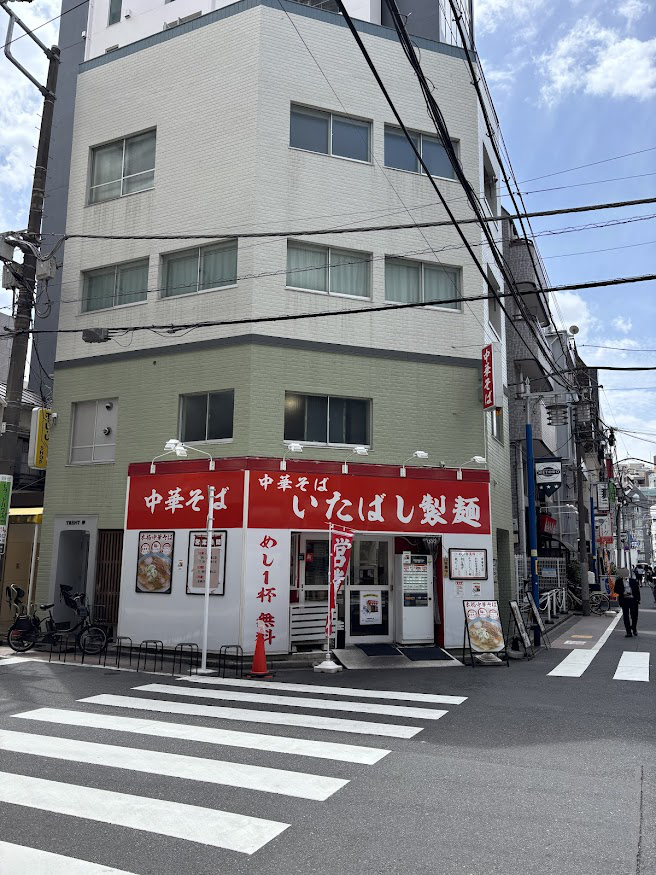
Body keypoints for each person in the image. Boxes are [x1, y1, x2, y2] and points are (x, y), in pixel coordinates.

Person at [615, 568, 640, 637]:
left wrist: (638, 600)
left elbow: (637, 591)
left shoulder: (633, 581)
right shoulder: (618, 581)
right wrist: (623, 593)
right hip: (624, 600)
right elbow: (616, 590)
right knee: (626, 616)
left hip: (633, 599)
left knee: (634, 615)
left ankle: (634, 628)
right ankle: (628, 631)